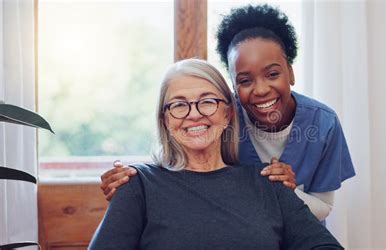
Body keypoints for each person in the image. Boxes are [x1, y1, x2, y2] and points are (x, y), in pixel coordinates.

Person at [100, 4, 355, 221]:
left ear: (290, 72)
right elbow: (181, 174)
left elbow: (323, 207)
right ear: (233, 86)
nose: (261, 89)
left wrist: (286, 191)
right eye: (245, 80)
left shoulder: (324, 124)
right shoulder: (218, 117)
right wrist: (132, 187)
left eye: (273, 74)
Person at [89, 58, 343, 249]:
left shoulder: (268, 183)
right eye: (178, 105)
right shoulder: (138, 185)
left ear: (228, 113)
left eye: (208, 101)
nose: (194, 113)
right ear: (165, 119)